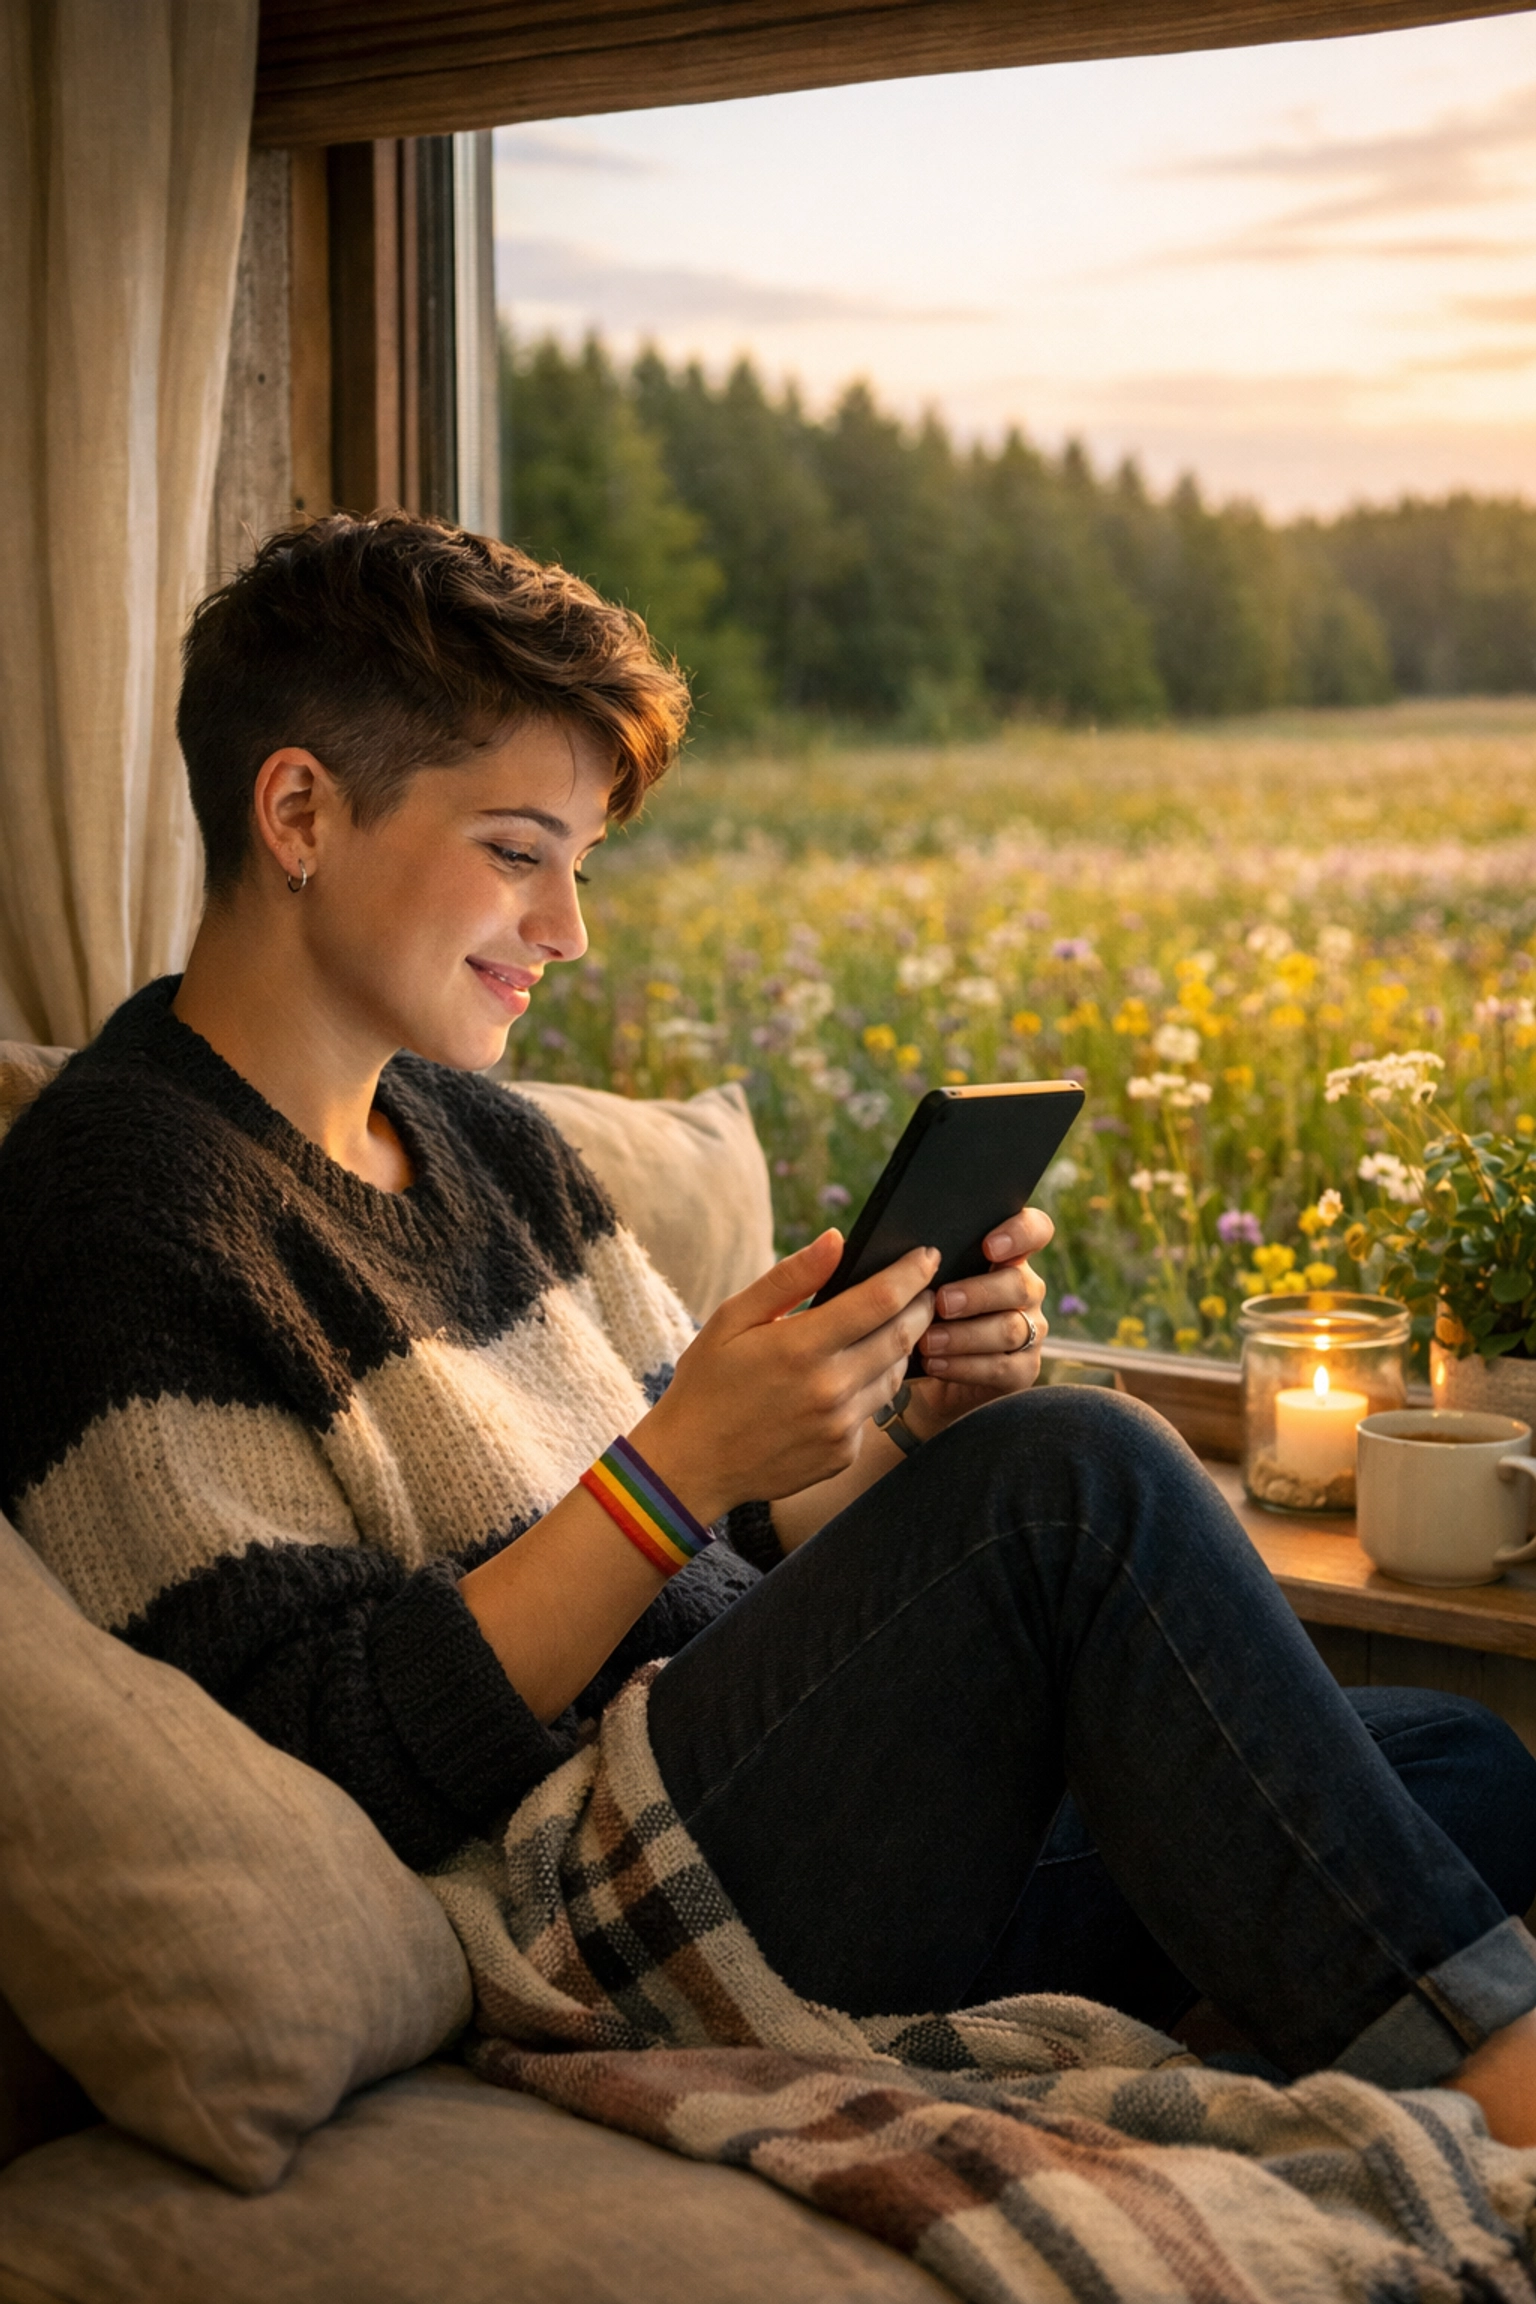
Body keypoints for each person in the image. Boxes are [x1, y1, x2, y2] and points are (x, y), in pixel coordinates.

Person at [3, 512, 1536, 2143]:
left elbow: (746, 1526)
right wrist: (674, 1473)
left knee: (1457, 1762)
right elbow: (325, 1751)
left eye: (579, 866)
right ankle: (1501, 2120)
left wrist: (907, 1421)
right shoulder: (116, 1199)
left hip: (782, 1787)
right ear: (299, 809)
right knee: (1084, 1468)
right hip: (588, 1891)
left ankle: (1295, 2069)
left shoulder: (484, 1140)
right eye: (519, 853)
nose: (567, 929)